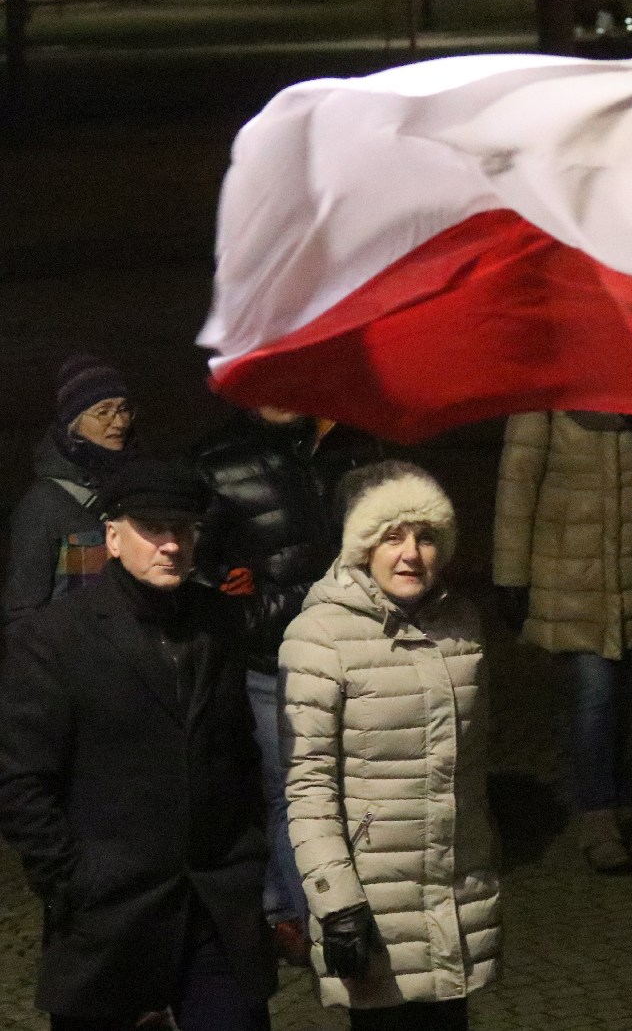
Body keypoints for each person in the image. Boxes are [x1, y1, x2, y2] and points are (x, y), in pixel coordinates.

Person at [0, 458, 277, 1031]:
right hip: (108, 914)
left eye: (184, 529)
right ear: (114, 537)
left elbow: (239, 753)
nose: (171, 545)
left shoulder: (219, 623)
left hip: (215, 908)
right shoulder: (55, 638)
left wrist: (246, 857)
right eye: (153, 528)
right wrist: (73, 880)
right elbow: (23, 780)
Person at [280, 460, 499, 1030]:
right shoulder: (319, 636)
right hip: (372, 907)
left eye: (426, 537)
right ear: (362, 548)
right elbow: (308, 786)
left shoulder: (462, 624)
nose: (411, 554)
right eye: (392, 537)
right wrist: (337, 902)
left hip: (454, 896)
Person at [491, 410, 632, 874]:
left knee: (622, 697)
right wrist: (510, 576)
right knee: (596, 694)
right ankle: (599, 818)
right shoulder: (547, 391)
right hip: (570, 577)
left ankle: (605, 786)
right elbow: (518, 482)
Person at [190, 407, 361, 964]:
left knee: (350, 783)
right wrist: (237, 596)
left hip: (355, 646)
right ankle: (318, 921)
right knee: (294, 791)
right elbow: (197, 565)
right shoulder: (218, 458)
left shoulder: (351, 440)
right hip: (274, 655)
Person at [4, 355, 137, 626]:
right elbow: (22, 614)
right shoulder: (44, 505)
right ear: (73, 422)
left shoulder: (138, 487)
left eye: (123, 409)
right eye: (104, 411)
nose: (120, 422)